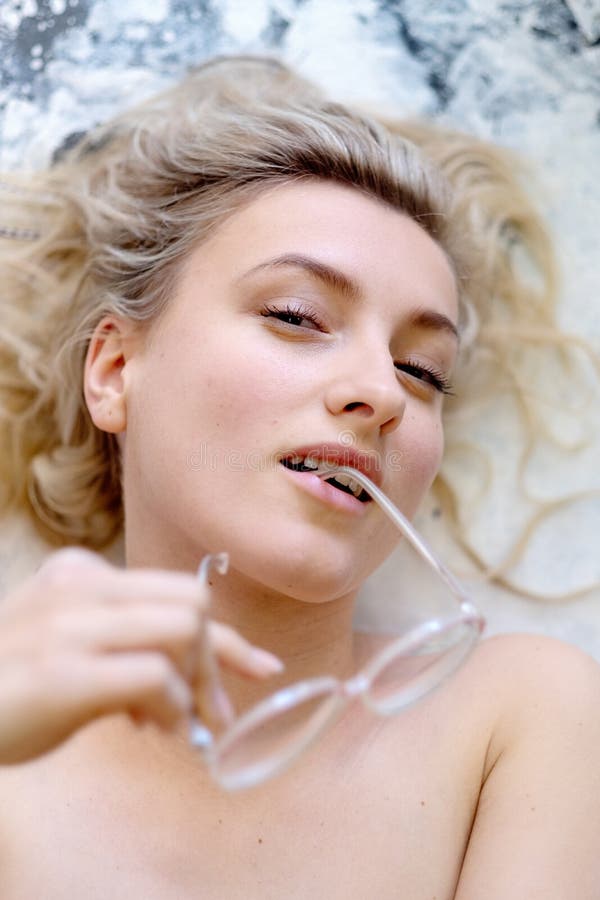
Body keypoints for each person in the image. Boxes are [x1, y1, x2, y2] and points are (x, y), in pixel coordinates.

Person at [0, 55, 599, 898]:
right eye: (296, 316)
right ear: (113, 369)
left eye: (423, 371)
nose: (383, 393)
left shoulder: (522, 718)